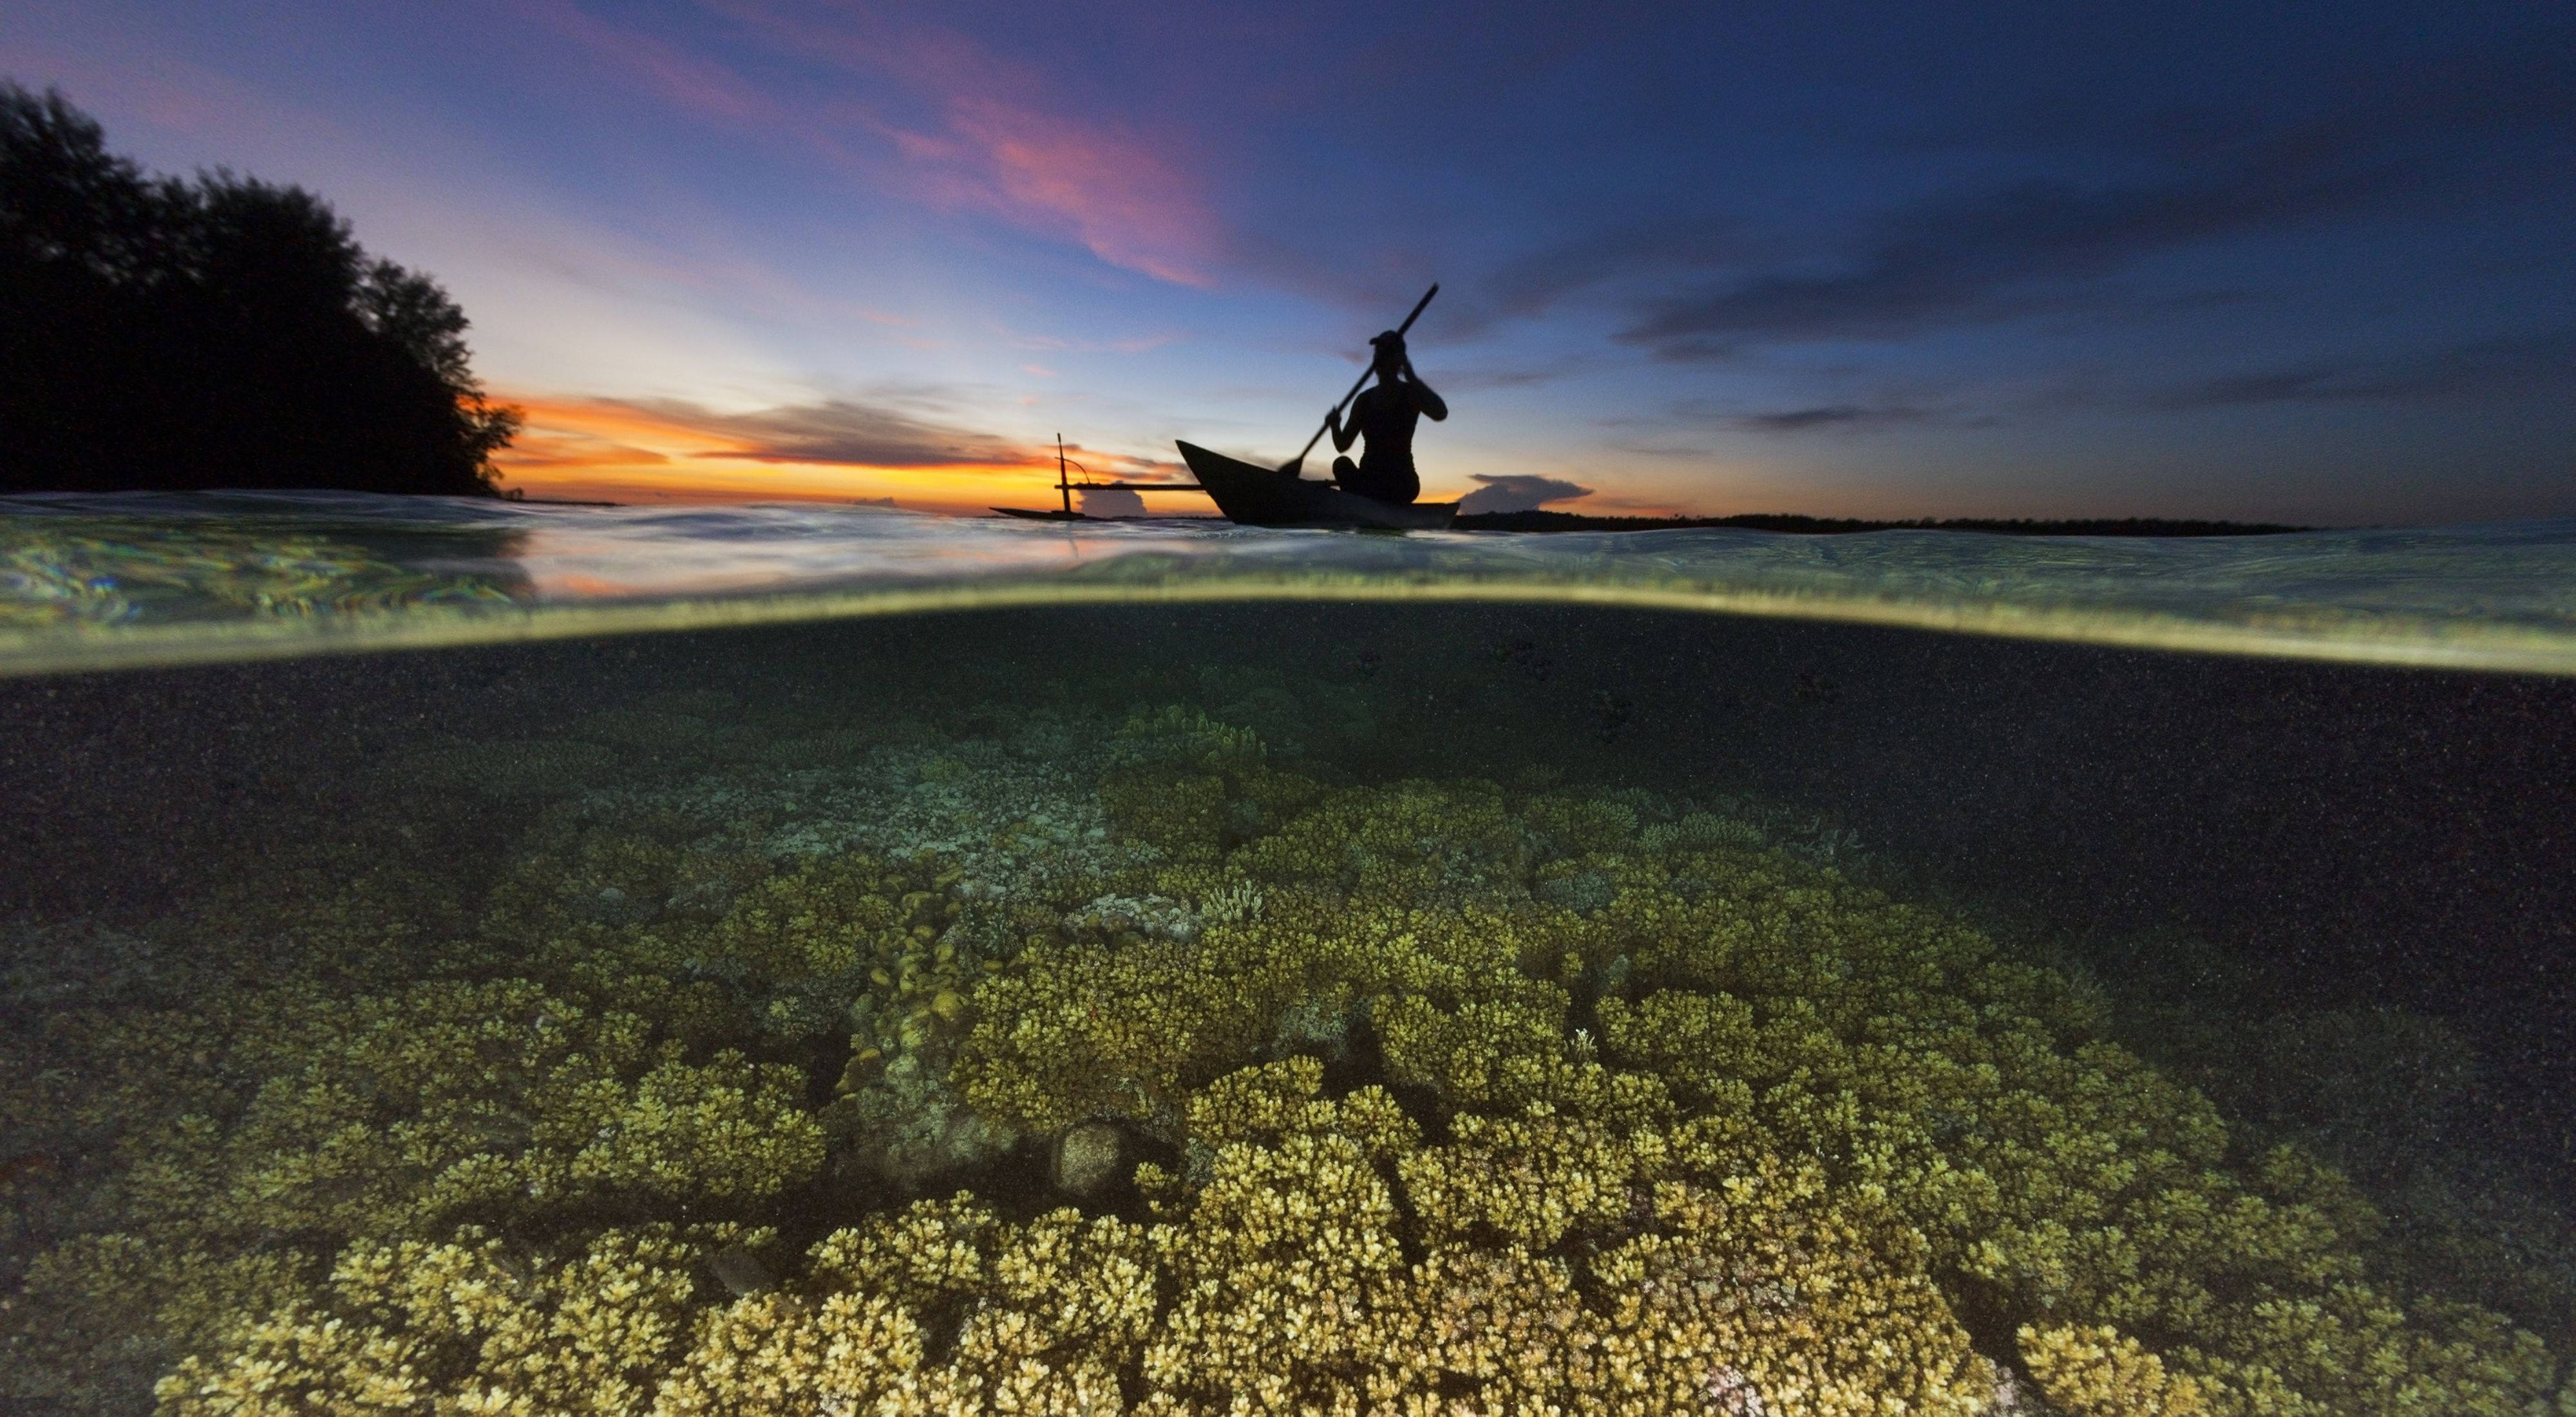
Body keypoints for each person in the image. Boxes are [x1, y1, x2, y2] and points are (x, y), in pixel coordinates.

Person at [1324, 330, 1446, 504]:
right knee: (1341, 464)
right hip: (1369, 479)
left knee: (1382, 488)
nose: (1379, 358)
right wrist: (1335, 425)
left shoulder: (1410, 394)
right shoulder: (1364, 400)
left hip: (1401, 482)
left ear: (1399, 360)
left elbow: (1441, 413)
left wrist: (1412, 378)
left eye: (1385, 353)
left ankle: (1362, 502)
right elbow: (1343, 445)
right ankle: (1363, 502)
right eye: (1377, 353)